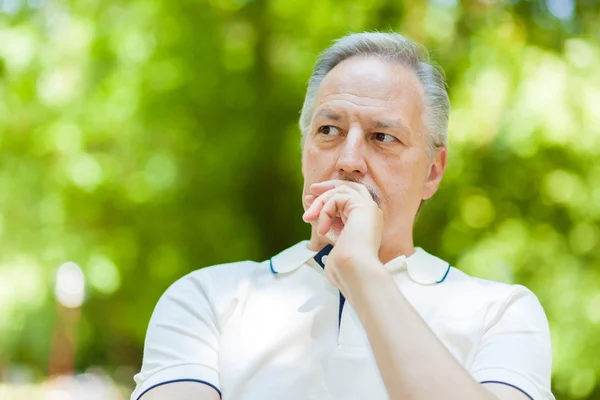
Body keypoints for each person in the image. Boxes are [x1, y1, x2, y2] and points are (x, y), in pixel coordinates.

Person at [130, 32, 554, 400]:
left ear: (433, 171)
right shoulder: (207, 298)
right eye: (328, 131)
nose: (349, 160)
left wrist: (360, 270)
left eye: (382, 137)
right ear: (304, 152)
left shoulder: (502, 312)